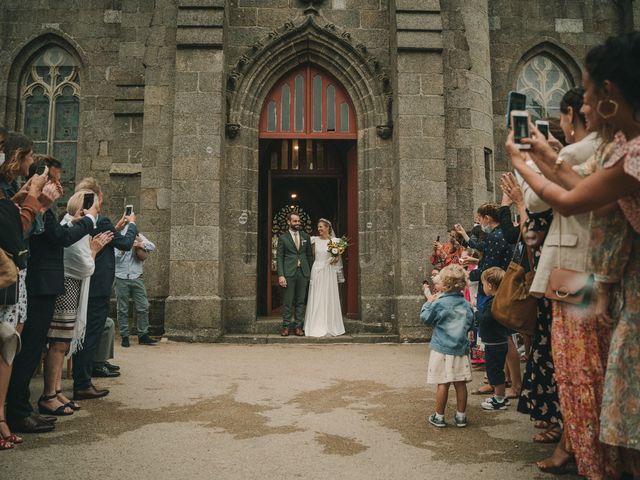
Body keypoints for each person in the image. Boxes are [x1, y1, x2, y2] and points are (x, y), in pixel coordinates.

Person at [508, 33, 640, 478]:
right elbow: (579, 183)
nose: (581, 105)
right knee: (606, 389)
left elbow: (570, 200)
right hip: (609, 281)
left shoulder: (627, 151)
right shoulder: (612, 148)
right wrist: (540, 154)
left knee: (589, 379)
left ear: (608, 96)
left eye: (585, 93)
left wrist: (523, 164)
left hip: (590, 276)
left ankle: (594, 462)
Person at [39, 191, 112, 416]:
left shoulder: (71, 225)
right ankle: (49, 394)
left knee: (63, 344)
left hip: (70, 291)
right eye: (95, 211)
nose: (96, 216)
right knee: (59, 344)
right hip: (67, 292)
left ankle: (57, 390)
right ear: (84, 208)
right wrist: (94, 250)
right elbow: (85, 267)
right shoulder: (76, 229)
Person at [71, 177, 137, 401]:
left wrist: (116, 228)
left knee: (83, 331)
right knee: (91, 333)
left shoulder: (78, 221)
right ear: (99, 197)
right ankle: (83, 383)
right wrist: (132, 225)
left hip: (82, 282)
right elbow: (126, 244)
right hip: (98, 285)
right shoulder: (102, 222)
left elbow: (110, 237)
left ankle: (83, 377)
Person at [421, 264, 474, 428]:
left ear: (445, 285)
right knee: (460, 383)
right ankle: (461, 416)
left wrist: (429, 302)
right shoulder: (465, 304)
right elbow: (471, 322)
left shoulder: (438, 303)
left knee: (442, 382)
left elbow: (425, 318)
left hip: (441, 348)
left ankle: (439, 416)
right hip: (460, 349)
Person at [114, 227, 157, 347]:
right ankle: (124, 336)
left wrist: (139, 243)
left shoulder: (138, 235)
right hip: (121, 277)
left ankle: (143, 335)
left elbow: (152, 246)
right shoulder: (118, 237)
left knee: (143, 306)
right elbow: (114, 257)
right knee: (122, 308)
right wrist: (123, 249)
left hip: (137, 276)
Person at [303, 219, 345, 337]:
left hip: (329, 271)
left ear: (328, 228)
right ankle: (315, 325)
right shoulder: (314, 240)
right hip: (317, 269)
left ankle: (330, 325)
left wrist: (335, 258)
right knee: (316, 295)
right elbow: (308, 254)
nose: (319, 229)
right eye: (318, 227)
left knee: (328, 295)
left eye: (321, 227)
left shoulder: (335, 241)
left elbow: (337, 259)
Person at [475, 267, 509, 411]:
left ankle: (499, 399)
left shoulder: (493, 302)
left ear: (489, 285)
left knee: (494, 371)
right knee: (496, 370)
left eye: (483, 284)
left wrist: (476, 314)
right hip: (499, 340)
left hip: (494, 342)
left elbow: (486, 320)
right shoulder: (500, 299)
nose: (483, 287)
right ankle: (499, 395)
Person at [276, 213, 313, 337]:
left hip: (303, 272)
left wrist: (310, 272)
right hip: (288, 273)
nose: (298, 223)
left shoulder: (306, 237)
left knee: (300, 301)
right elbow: (279, 257)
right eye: (295, 221)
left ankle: (298, 327)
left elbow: (309, 256)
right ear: (289, 222)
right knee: (288, 301)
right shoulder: (283, 238)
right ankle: (286, 327)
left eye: (298, 221)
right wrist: (281, 275)